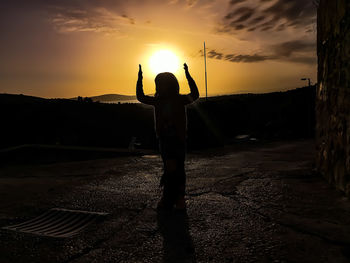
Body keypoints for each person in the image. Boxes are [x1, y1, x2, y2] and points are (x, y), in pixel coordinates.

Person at [136, 63, 199, 210]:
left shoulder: (169, 100)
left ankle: (171, 199)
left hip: (173, 140)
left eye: (159, 84)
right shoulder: (170, 100)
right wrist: (140, 78)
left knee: (173, 169)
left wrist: (188, 75)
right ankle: (176, 199)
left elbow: (195, 95)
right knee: (175, 169)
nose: (158, 87)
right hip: (171, 140)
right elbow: (141, 97)